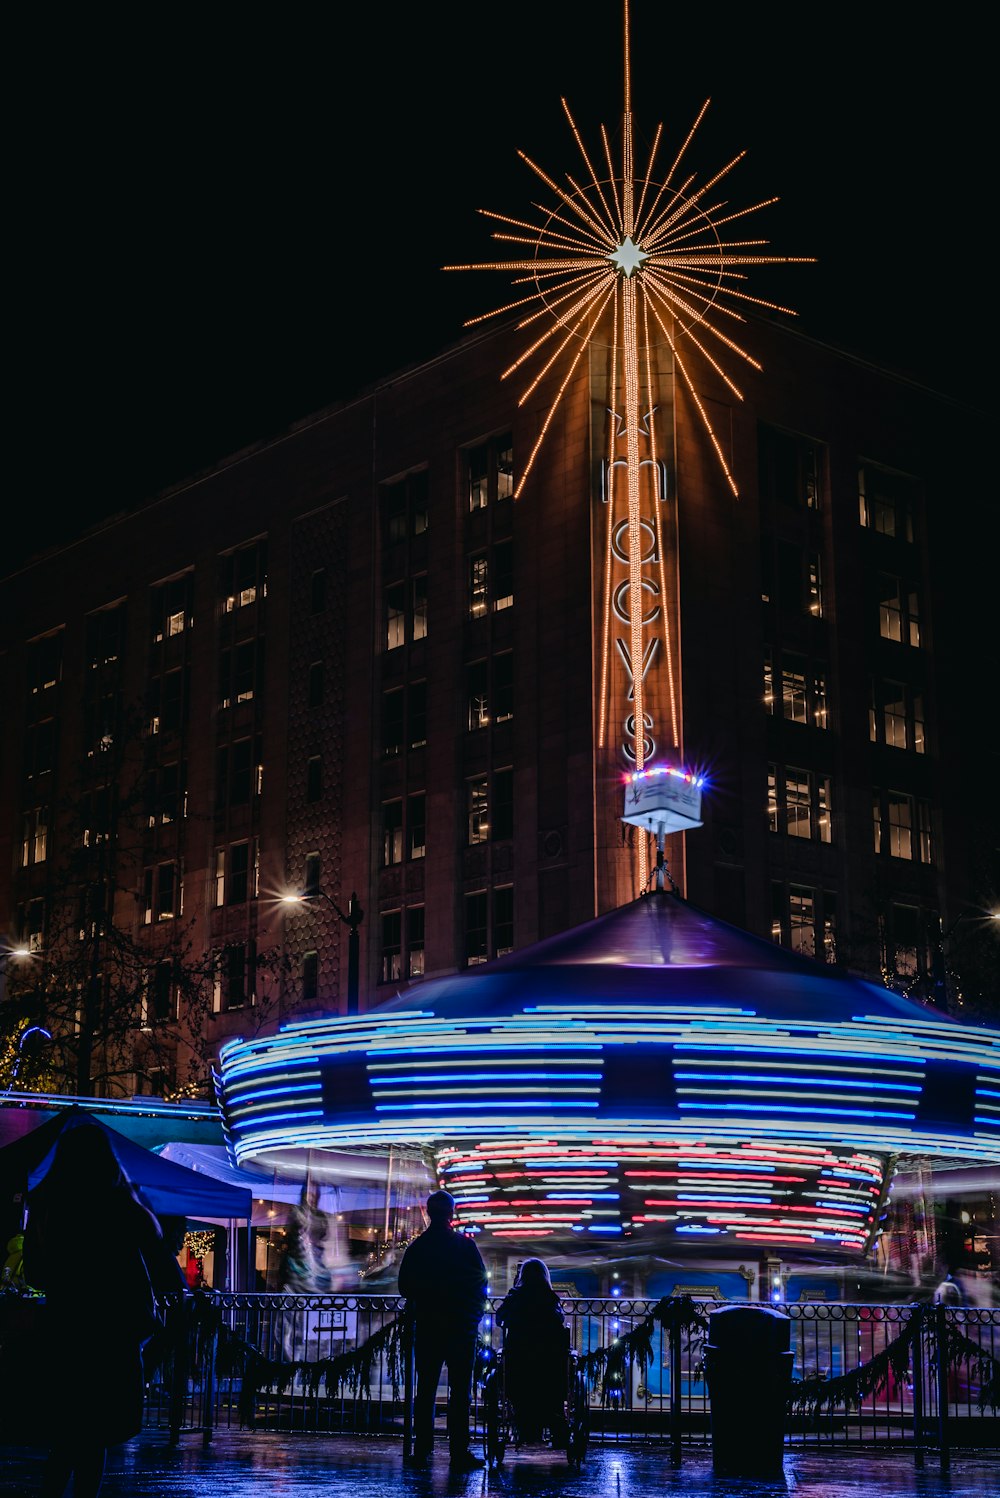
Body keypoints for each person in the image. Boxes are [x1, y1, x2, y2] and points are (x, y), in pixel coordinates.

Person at [21, 1123, 182, 1498]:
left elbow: (36, 1273)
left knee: (66, 1435)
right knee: (94, 1436)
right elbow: (157, 1255)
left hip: (65, 1329)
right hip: (111, 1335)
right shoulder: (122, 1207)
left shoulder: (46, 1204)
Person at [397, 1189, 488, 1473]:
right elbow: (480, 1284)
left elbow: (404, 1287)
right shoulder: (465, 1247)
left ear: (428, 1212)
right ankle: (459, 1451)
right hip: (461, 1330)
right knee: (460, 1393)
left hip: (428, 1328)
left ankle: (422, 1449)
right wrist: (472, 1317)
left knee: (425, 1391)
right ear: (451, 1214)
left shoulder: (418, 1248)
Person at [496, 1257, 570, 1444]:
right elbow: (559, 1323)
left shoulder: (516, 1296)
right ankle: (556, 1427)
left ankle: (525, 1426)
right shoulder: (549, 1297)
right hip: (548, 1366)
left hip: (519, 1364)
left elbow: (499, 1317)